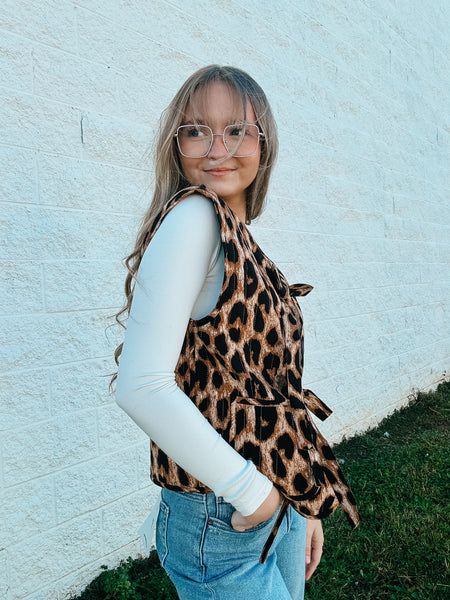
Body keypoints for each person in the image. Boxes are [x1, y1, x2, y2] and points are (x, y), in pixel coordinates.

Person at [113, 65, 359, 600]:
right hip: (225, 512)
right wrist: (256, 495)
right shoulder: (195, 216)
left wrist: (300, 496)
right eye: (196, 130)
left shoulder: (235, 234)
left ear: (263, 143)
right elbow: (140, 385)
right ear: (176, 146)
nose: (216, 147)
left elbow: (268, 391)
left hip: (275, 492)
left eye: (237, 130)